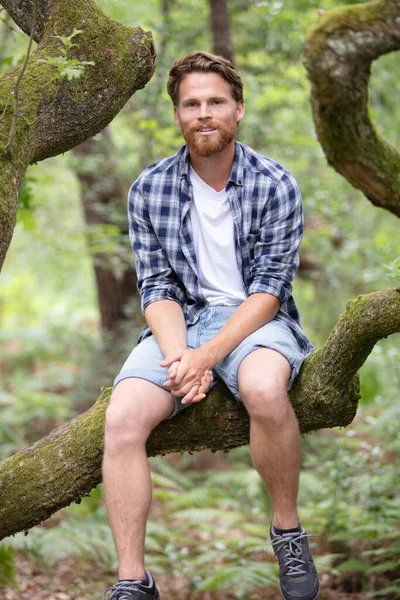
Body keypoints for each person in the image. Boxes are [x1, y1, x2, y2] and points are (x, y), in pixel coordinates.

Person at [102, 51, 320, 600]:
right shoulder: (148, 189)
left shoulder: (275, 183)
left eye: (215, 102)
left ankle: (288, 533)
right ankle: (133, 580)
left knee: (266, 391)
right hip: (180, 323)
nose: (204, 113)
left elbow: (269, 291)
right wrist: (181, 357)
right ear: (177, 115)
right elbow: (156, 288)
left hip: (255, 320)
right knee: (122, 417)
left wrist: (207, 358)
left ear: (238, 109)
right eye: (191, 104)